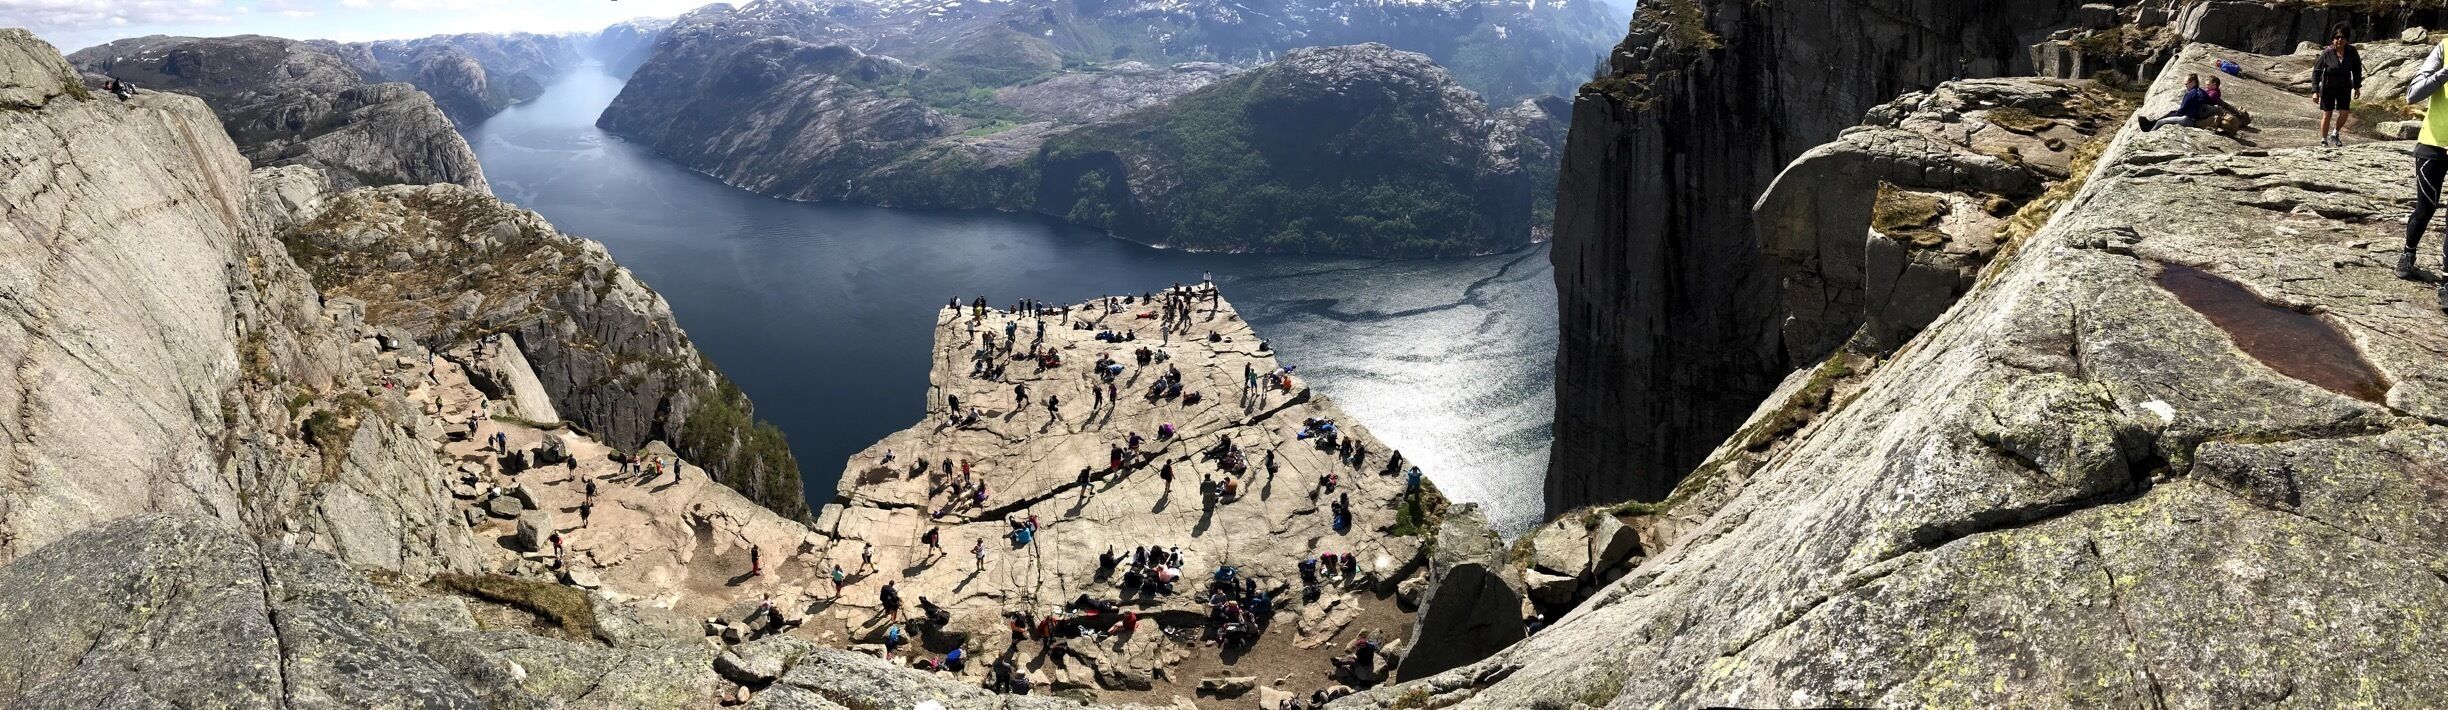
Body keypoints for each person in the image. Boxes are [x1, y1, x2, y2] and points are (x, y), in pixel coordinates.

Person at [2406, 33, 2448, 288]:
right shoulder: (2445, 47)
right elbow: (2413, 94)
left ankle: (2446, 282)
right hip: (2433, 144)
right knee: (2425, 208)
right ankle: (2408, 253)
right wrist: (2444, 73)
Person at [2314, 25, 2364, 147]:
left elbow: (2357, 69)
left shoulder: (2352, 52)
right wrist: (2315, 91)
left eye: (2342, 37)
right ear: (2332, 39)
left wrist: (2357, 86)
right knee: (2327, 113)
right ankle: (2324, 140)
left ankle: (2335, 133)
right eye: (2336, 37)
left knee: (2344, 113)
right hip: (2328, 87)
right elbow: (2317, 71)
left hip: (2345, 87)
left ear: (2347, 39)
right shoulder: (2327, 52)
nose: (2339, 40)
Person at [2135, 74, 2211, 132]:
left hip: (2188, 120)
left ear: (2193, 82)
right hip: (2196, 118)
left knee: (2161, 122)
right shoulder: (2202, 92)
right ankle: (2151, 123)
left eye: (2186, 84)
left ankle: (2150, 132)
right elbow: (2210, 101)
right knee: (2171, 112)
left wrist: (2171, 115)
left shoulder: (2190, 93)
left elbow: (2182, 110)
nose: (2185, 86)